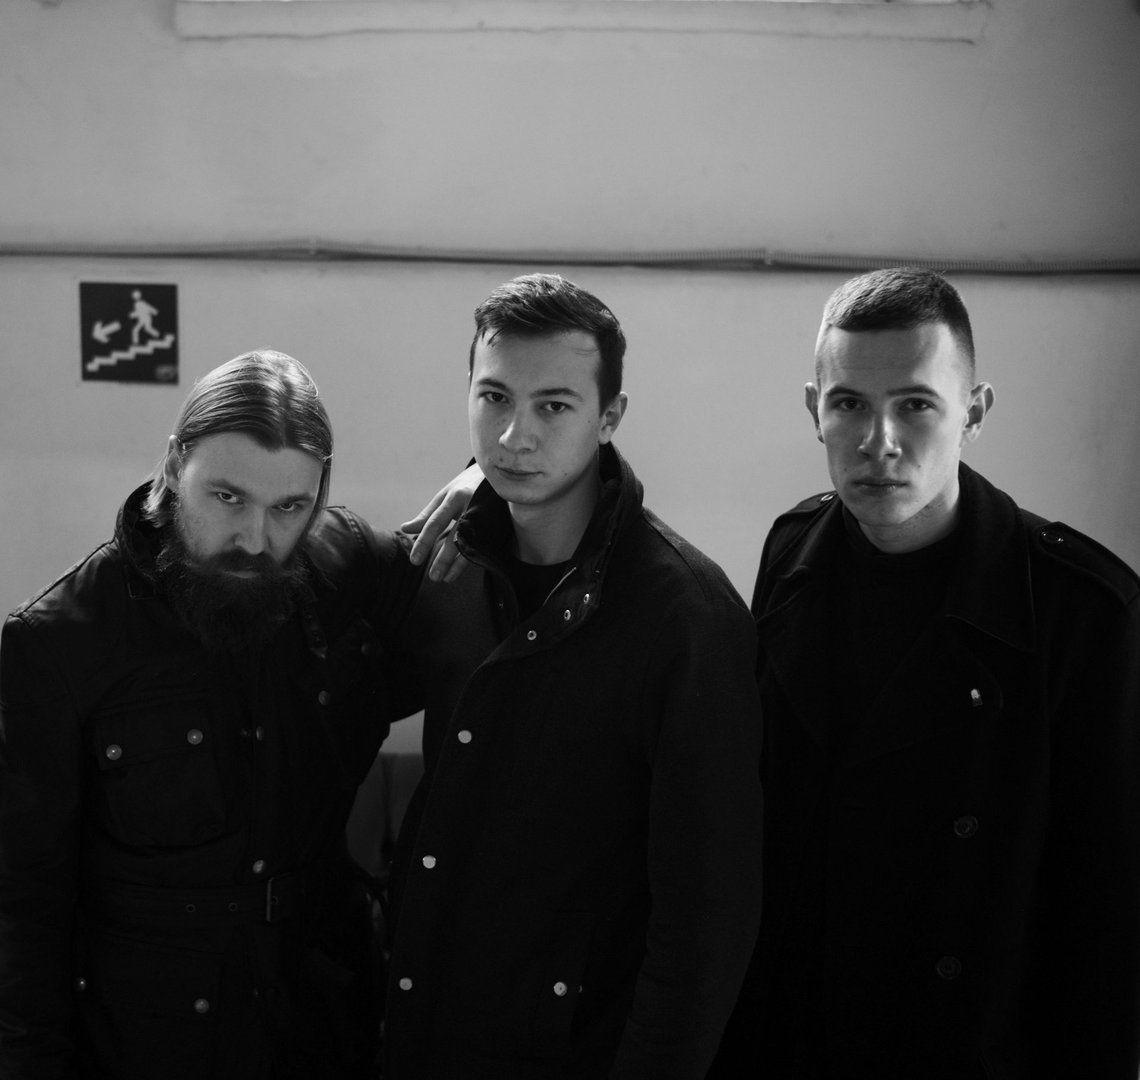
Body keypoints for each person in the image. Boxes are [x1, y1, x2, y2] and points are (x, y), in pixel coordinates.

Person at [711, 268, 1140, 1078]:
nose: (878, 442)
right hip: (797, 1037)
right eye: (849, 405)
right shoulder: (793, 552)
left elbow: (1108, 919)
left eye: (915, 405)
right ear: (814, 410)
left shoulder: (1082, 608)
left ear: (973, 413)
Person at [0, 350, 467, 1079]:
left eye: (289, 508)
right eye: (227, 497)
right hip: (148, 1041)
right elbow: (22, 904)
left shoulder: (346, 569)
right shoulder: (61, 641)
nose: (255, 539)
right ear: (173, 465)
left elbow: (476, 590)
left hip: (322, 1021)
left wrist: (486, 484)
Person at [384, 274, 764, 1079]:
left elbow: (706, 917)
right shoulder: (449, 567)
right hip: (433, 1028)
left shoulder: (685, 615)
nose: (515, 435)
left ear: (610, 417)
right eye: (494, 397)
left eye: (554, 406)